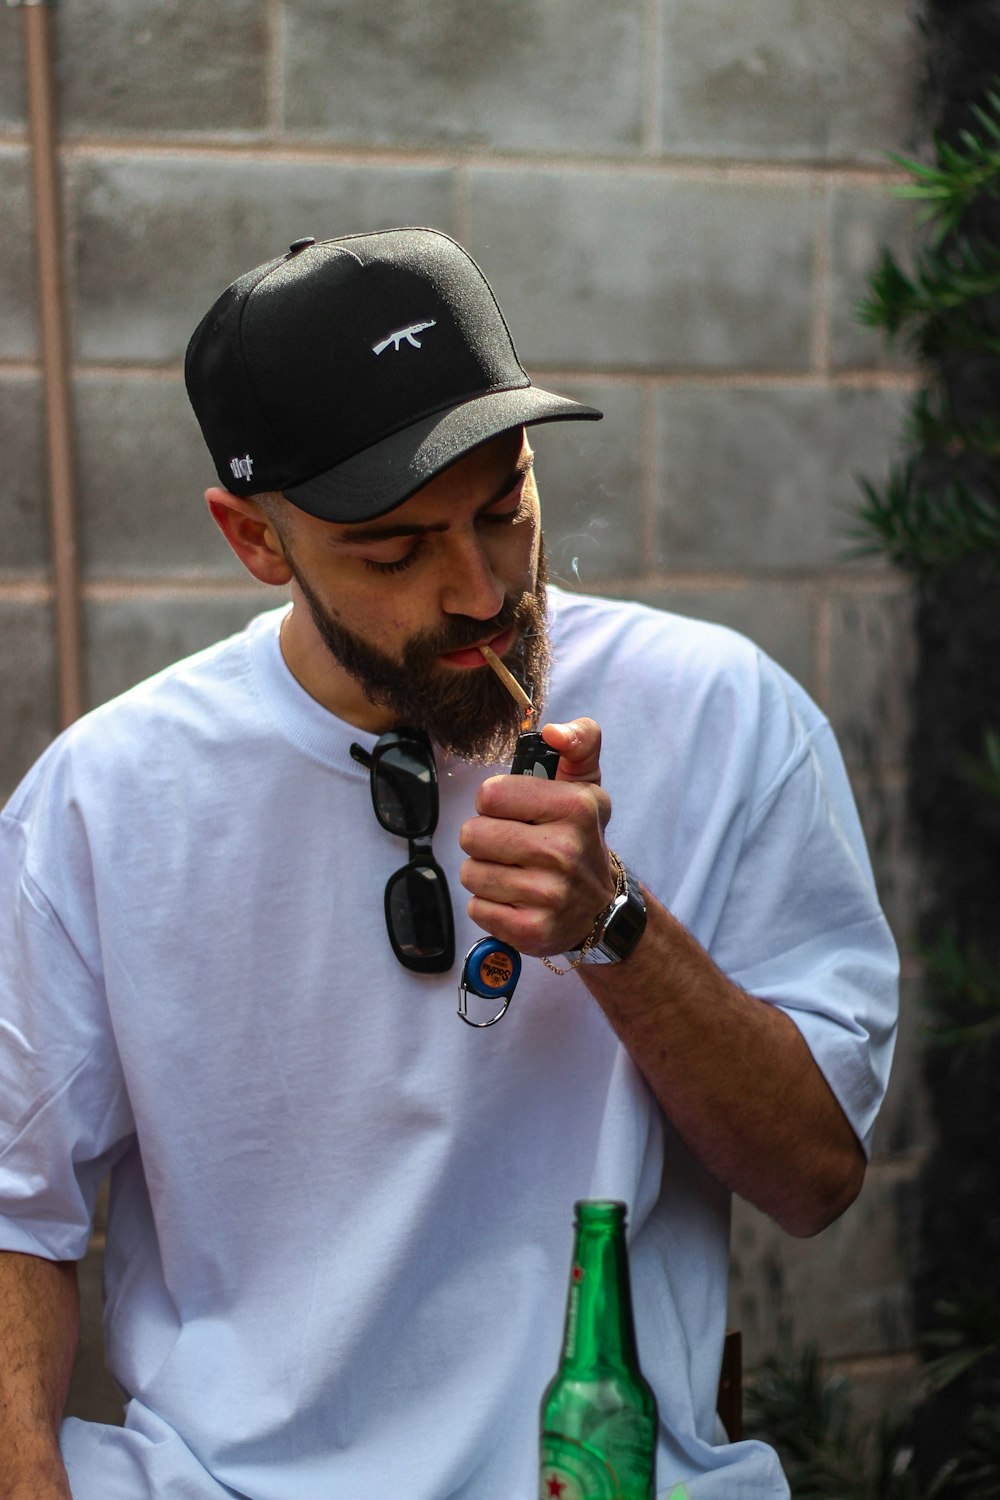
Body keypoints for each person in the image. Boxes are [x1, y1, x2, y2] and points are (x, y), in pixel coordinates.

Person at [0, 227, 898, 1500]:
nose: (480, 590)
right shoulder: (107, 798)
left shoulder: (722, 712)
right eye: (395, 550)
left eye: (504, 506)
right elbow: (12, 1208)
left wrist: (614, 928)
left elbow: (815, 1178)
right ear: (256, 541)